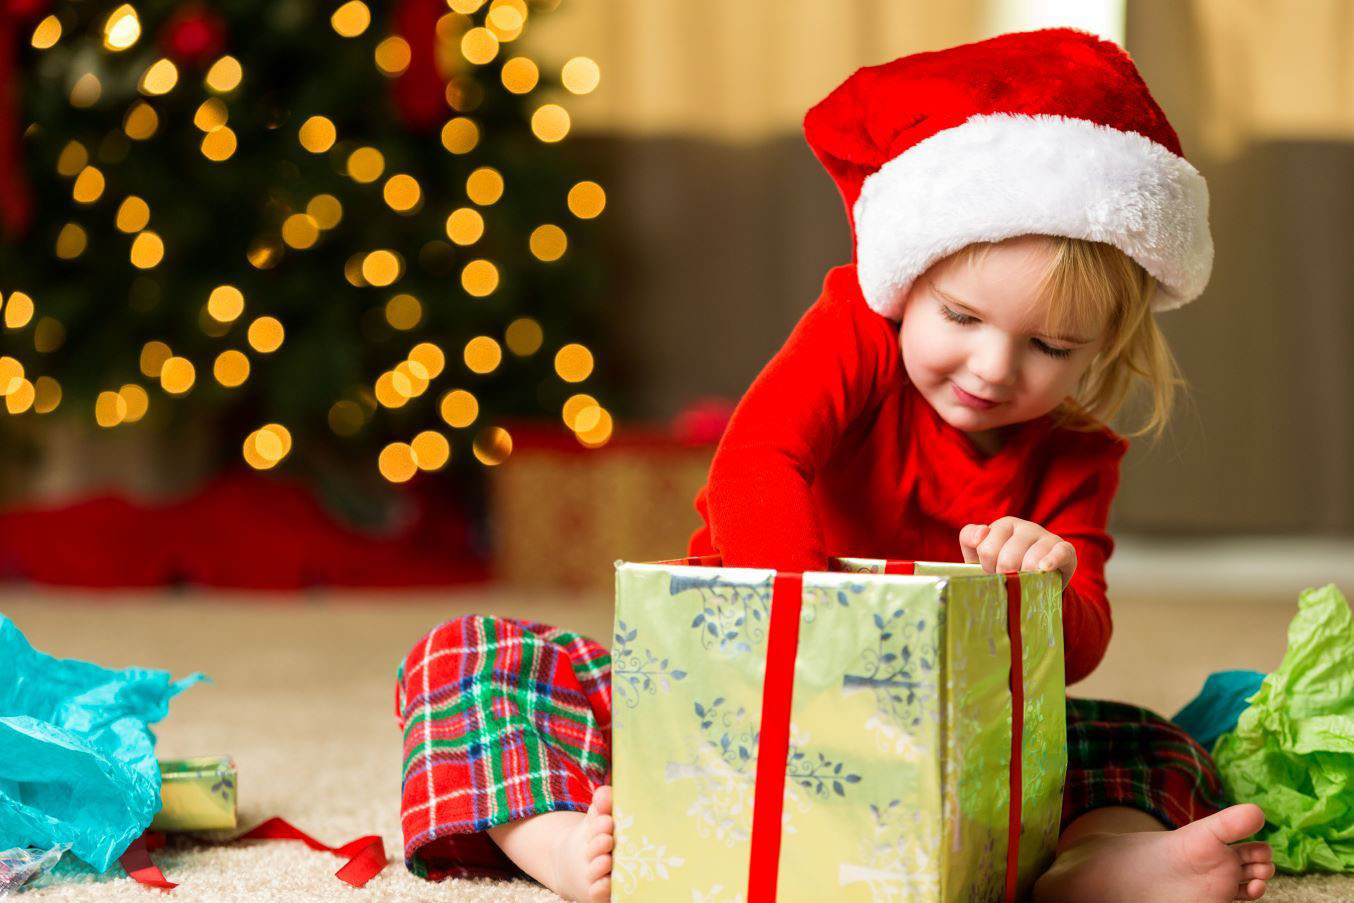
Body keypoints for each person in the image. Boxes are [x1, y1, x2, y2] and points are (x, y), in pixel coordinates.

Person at [395, 28, 1276, 903]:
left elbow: (1078, 649)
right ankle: (553, 837)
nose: (994, 367)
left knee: (1149, 741)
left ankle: (1090, 864)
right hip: (737, 689)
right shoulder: (856, 332)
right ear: (907, 279)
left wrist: (1048, 583)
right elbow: (754, 461)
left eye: (1048, 345)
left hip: (944, 735)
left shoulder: (1077, 456)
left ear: (1099, 353)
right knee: (466, 658)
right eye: (961, 317)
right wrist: (817, 654)